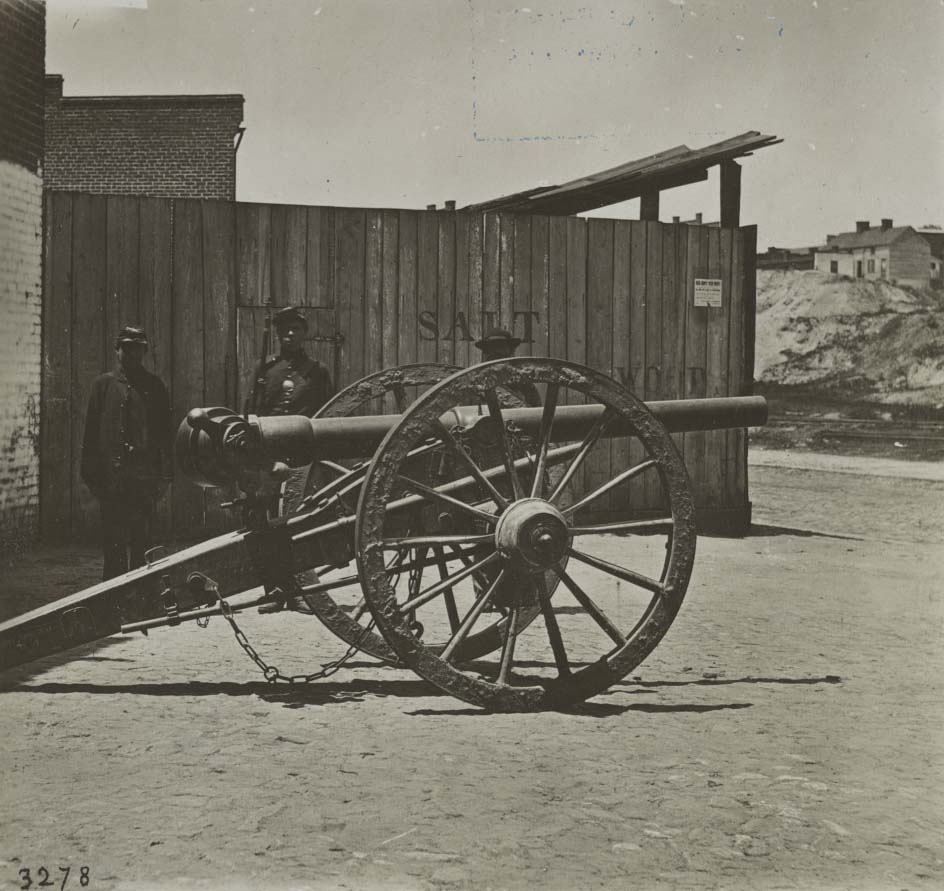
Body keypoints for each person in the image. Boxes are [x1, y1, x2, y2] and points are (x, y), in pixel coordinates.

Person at [81, 326, 172, 580]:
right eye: (127, 348)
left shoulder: (154, 387)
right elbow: (91, 436)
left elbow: (165, 435)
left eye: (138, 348)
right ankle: (113, 603)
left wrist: (164, 477)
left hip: (143, 481)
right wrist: (93, 478)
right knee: (113, 544)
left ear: (144, 351)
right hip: (112, 483)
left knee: (142, 542)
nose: (132, 354)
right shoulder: (103, 385)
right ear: (117, 349)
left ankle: (142, 601)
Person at [253, 306, 334, 417]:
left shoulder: (318, 370)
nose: (290, 333)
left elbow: (328, 411)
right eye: (285, 329)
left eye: (295, 329)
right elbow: (251, 409)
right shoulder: (264, 366)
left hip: (305, 432)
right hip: (270, 431)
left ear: (305, 333)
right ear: (278, 334)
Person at [474, 327, 541, 408]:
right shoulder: (475, 381)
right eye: (492, 347)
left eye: (501, 347)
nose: (496, 351)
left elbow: (536, 410)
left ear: (510, 351)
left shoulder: (522, 380)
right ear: (485, 353)